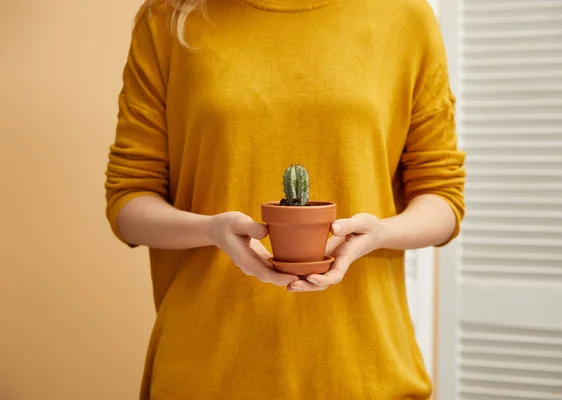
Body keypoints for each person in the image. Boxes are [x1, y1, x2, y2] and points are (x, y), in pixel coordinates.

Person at [105, 0, 465, 398]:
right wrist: (211, 230)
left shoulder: (405, 17)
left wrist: (379, 232)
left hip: (364, 373)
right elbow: (129, 200)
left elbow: (442, 197)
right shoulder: (168, 19)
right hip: (206, 373)